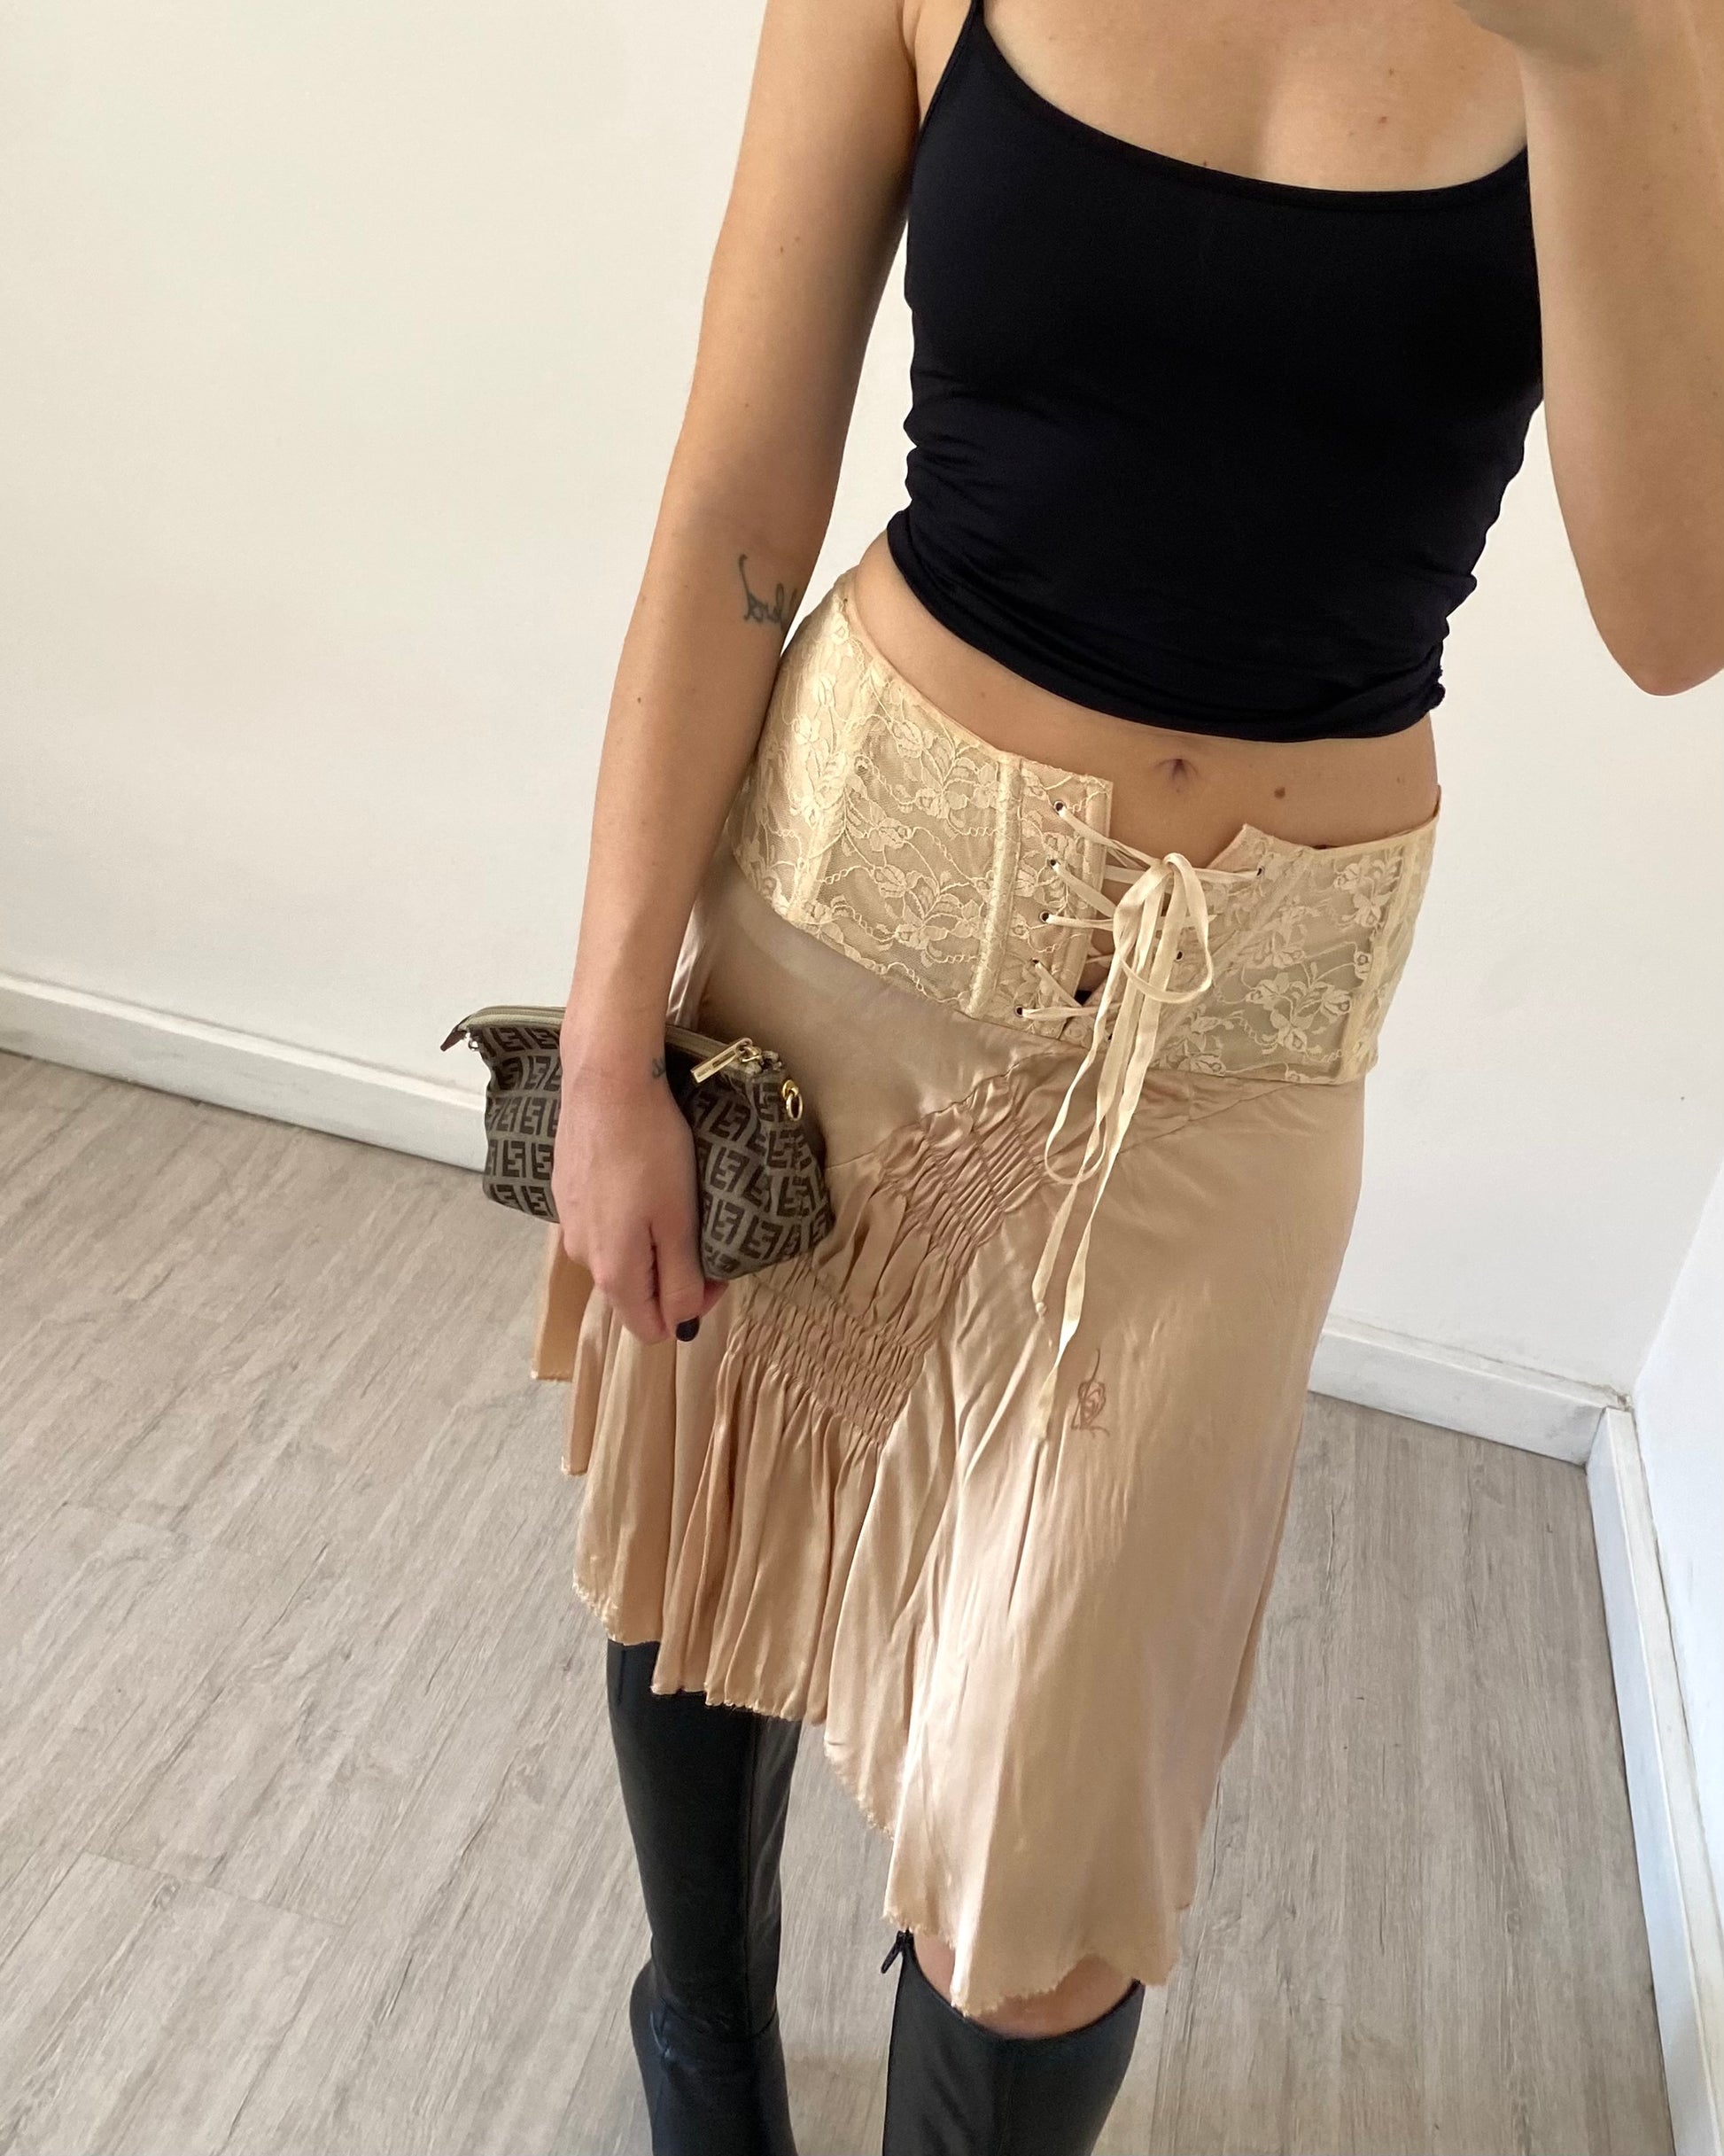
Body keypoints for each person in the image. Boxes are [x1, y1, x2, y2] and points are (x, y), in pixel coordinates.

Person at [539, 0, 1724, 2146]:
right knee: (723, 1531)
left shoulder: (1642, 31)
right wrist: (613, 1034)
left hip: (1240, 1050)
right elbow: (736, 491)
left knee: (1059, 1841)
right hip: (848, 910)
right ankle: (700, 2031)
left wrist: (1615, 62)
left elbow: (1675, 614)